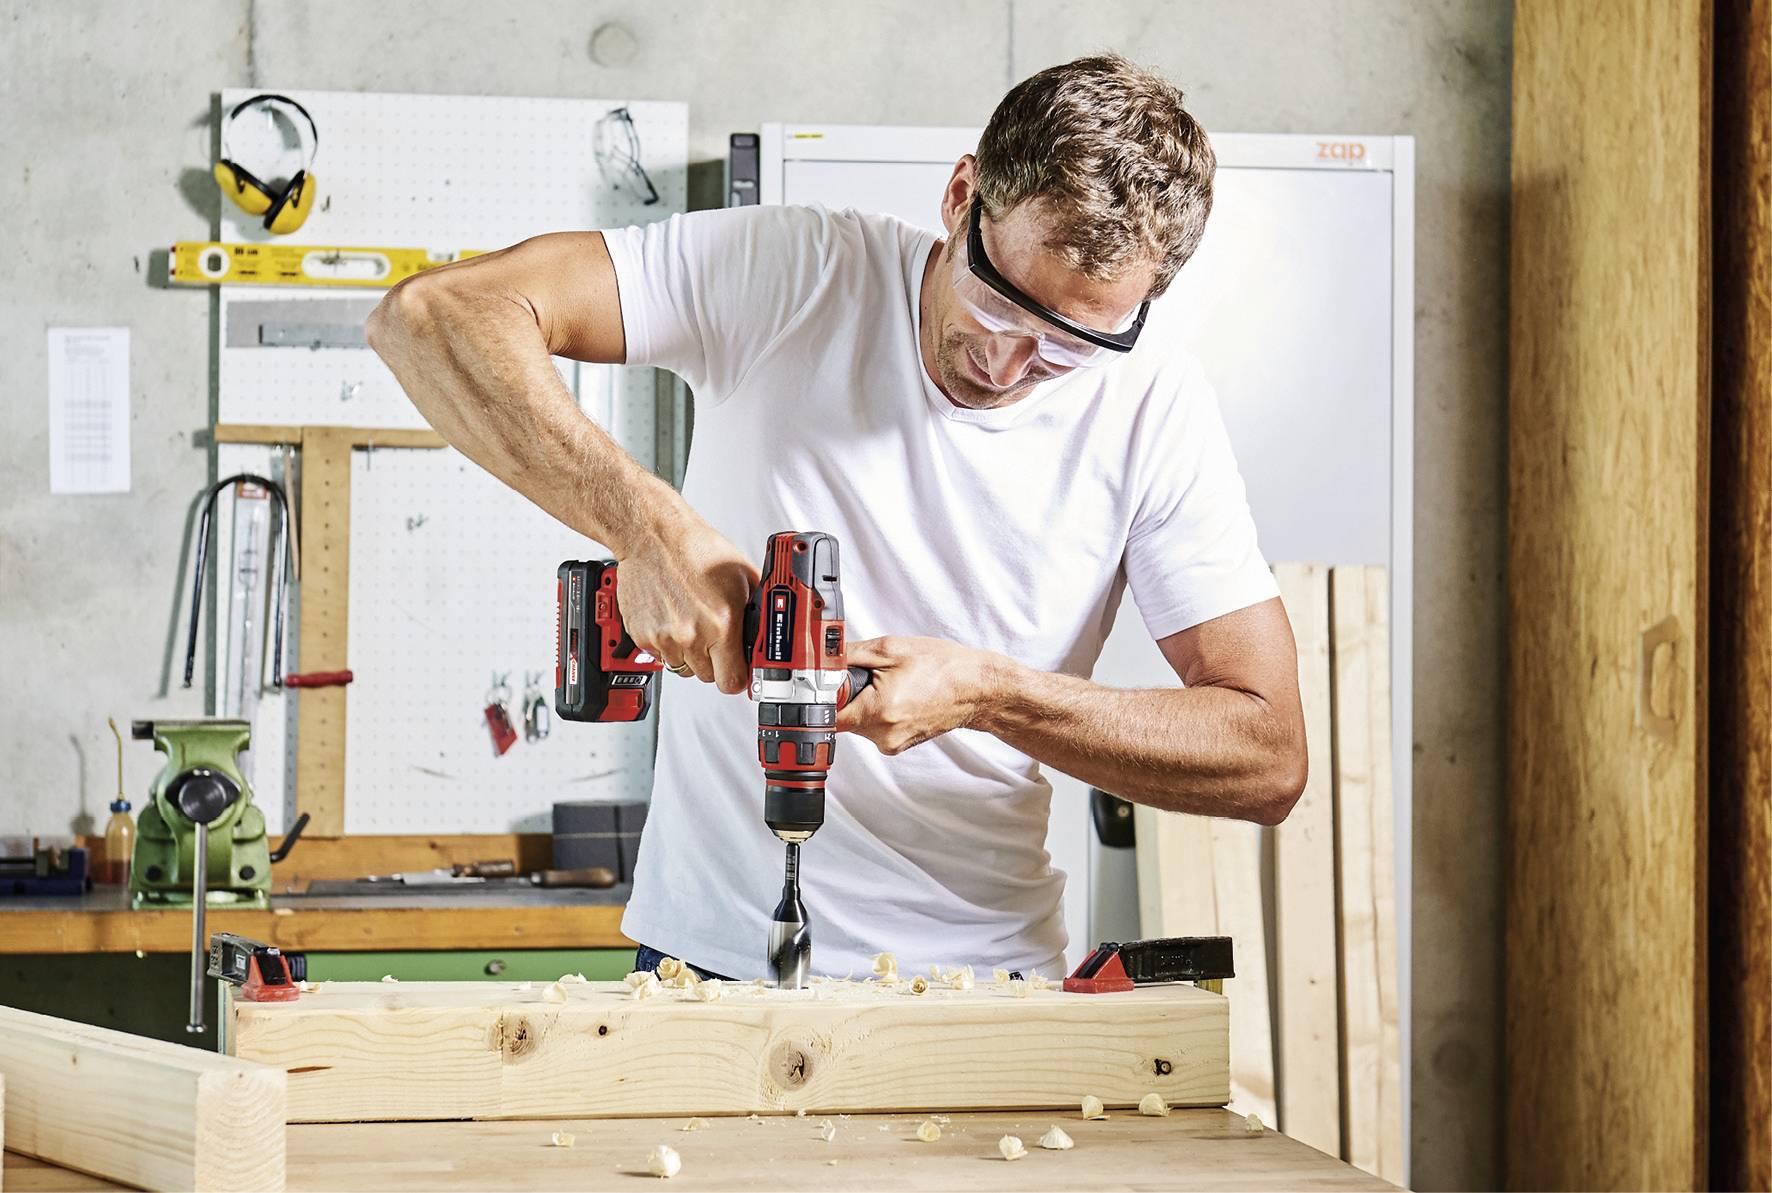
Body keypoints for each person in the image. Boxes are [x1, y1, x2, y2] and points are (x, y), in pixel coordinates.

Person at [367, 53, 1307, 982]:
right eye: (999, 303)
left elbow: (1266, 755)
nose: (1010, 365)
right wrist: (645, 526)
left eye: (1074, 344)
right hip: (708, 960)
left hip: (980, 978)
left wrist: (992, 694)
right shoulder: (799, 272)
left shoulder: (1155, 410)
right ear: (961, 196)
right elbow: (433, 316)